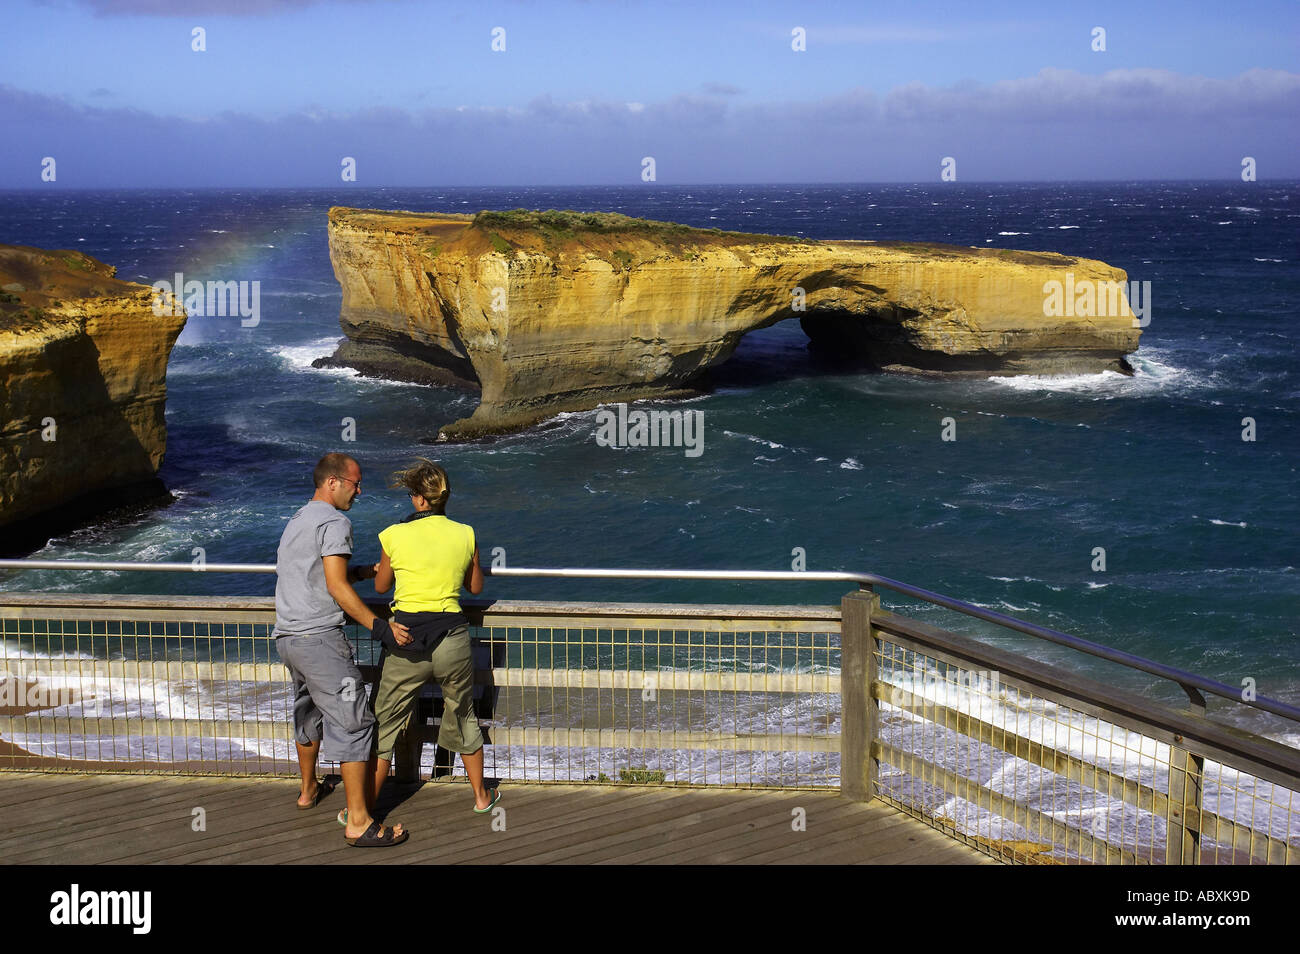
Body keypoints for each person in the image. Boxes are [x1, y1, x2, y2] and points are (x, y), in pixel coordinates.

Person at [272, 452, 411, 847]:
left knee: (307, 710)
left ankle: (307, 790)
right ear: (333, 482)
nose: (359, 490)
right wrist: (379, 625)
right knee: (355, 721)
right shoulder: (336, 521)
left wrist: (364, 572)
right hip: (319, 639)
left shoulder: (298, 519)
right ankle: (360, 822)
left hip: (288, 637)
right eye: (355, 483)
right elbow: (334, 585)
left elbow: (313, 573)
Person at [368, 459, 497, 813]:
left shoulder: (394, 535)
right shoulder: (465, 533)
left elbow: (381, 587)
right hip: (451, 637)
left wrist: (387, 569)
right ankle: (481, 797)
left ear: (420, 500)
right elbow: (473, 587)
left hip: (405, 637)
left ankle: (362, 809)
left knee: (386, 721)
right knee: (463, 712)